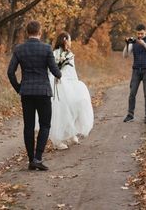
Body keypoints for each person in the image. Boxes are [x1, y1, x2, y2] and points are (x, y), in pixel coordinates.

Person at [7, 20, 62, 171]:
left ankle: (31, 159)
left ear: (27, 32)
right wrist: (59, 73)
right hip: (43, 92)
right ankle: (38, 157)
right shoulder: (46, 48)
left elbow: (10, 72)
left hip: (27, 93)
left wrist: (19, 87)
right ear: (40, 32)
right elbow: (55, 71)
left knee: (28, 126)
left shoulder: (19, 49)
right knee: (45, 125)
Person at [47, 32, 94, 149]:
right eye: (70, 39)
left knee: (76, 105)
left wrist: (75, 85)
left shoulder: (69, 54)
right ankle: (57, 140)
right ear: (65, 40)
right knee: (61, 110)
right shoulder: (54, 53)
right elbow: (51, 70)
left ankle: (71, 133)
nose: (71, 42)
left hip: (70, 83)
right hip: (59, 83)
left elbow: (72, 72)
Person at [122, 23, 146, 124]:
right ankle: (130, 115)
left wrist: (143, 44)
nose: (140, 36)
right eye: (138, 34)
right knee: (132, 93)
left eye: (142, 33)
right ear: (136, 32)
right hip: (136, 71)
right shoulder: (133, 42)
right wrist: (127, 44)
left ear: (145, 31)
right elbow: (125, 56)